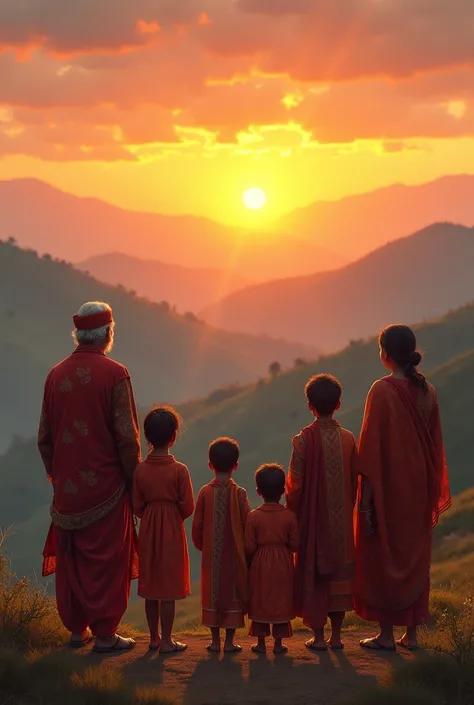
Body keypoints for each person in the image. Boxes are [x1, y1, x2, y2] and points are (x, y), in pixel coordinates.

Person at [38, 301, 141, 653]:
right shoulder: (116, 375)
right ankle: (106, 635)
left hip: (67, 491)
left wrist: (59, 474)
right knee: (107, 562)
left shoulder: (55, 375)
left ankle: (76, 632)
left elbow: (45, 438)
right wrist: (134, 481)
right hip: (106, 489)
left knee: (74, 560)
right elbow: (127, 437)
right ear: (108, 333)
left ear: (78, 334)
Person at [355, 324, 451, 651]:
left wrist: (366, 502)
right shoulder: (429, 391)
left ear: (385, 353)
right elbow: (435, 446)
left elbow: (369, 452)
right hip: (420, 488)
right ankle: (411, 635)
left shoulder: (381, 390)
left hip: (389, 490)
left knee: (385, 556)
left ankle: (385, 635)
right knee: (414, 557)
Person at [287, 374, 357, 652]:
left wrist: (292, 516)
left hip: (312, 522)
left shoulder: (302, 441)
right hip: (341, 523)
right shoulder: (349, 439)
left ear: (309, 406)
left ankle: (317, 637)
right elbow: (355, 481)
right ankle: (337, 636)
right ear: (338, 404)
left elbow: (294, 485)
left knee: (315, 574)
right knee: (338, 574)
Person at [133, 406, 194, 653]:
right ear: (174, 436)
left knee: (151, 587)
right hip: (171, 527)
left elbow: (136, 505)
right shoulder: (179, 470)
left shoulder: (140, 469)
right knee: (168, 588)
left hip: (148, 528)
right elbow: (188, 506)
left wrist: (151, 515)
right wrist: (171, 515)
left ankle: (153, 638)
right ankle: (168, 640)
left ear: (147, 437)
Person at [192, 437, 250, 653]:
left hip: (211, 557)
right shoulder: (240, 493)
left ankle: (215, 642)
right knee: (232, 594)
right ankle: (229, 642)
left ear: (210, 465)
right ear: (236, 466)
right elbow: (248, 524)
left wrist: (203, 546)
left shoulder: (205, 493)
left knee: (213, 594)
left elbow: (197, 525)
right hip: (235, 557)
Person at [246, 464, 299, 655]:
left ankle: (261, 643)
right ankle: (278, 644)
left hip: (260, 562)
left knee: (261, 598)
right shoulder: (289, 516)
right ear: (283, 491)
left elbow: (250, 546)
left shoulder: (253, 517)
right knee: (281, 598)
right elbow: (295, 544)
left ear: (258, 492)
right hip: (283, 562)